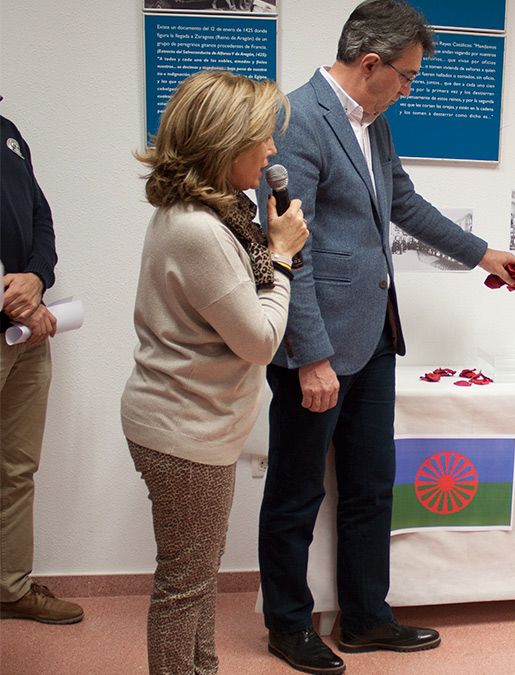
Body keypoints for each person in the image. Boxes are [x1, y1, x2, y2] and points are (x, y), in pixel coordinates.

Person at [255, 2, 515, 672]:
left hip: (374, 338)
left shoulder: (371, 121)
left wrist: (481, 252)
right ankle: (288, 625)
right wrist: (310, 355)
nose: (408, 89)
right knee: (295, 490)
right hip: (315, 344)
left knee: (372, 485)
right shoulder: (296, 121)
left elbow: (402, 202)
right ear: (369, 64)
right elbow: (293, 252)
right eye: (404, 77)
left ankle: (366, 618)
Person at [121, 70, 308, 674]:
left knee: (197, 580)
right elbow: (258, 340)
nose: (273, 151)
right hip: (183, 431)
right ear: (226, 141)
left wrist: (273, 247)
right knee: (185, 587)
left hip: (194, 426)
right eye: (263, 137)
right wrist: (281, 257)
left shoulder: (213, 214)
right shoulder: (200, 230)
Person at [0, 104, 83, 626]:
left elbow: (40, 216)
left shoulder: (8, 133)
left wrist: (36, 277)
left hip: (24, 332)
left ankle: (9, 586)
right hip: (15, 314)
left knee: (17, 467)